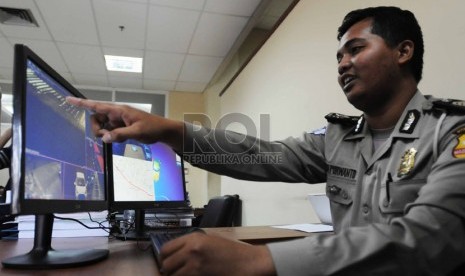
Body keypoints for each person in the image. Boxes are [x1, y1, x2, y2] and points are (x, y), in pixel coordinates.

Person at [67, 6, 465, 276]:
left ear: (403, 51)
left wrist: (262, 258)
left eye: (356, 49)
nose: (343, 64)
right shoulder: (341, 137)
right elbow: (261, 155)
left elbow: (431, 236)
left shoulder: (451, 131)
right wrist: (171, 130)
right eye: (339, 57)